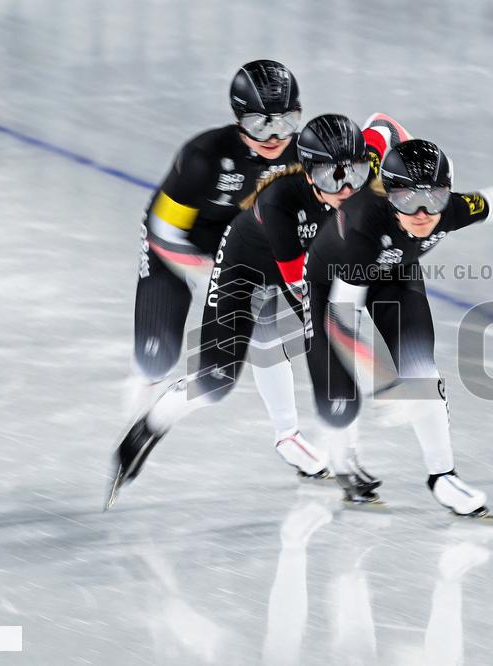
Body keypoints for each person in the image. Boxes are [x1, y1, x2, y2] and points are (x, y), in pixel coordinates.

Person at [106, 113, 411, 509]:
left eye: (353, 173)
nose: (345, 189)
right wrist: (382, 376)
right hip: (244, 269)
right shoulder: (280, 203)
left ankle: (345, 462)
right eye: (330, 180)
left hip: (301, 262)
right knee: (216, 380)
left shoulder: (360, 164)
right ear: (307, 175)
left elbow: (384, 127)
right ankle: (146, 427)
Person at [301, 138, 493, 516]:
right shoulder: (364, 228)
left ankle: (443, 477)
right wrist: (386, 383)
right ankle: (342, 462)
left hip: (396, 271)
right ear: (389, 196)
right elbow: (342, 320)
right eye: (408, 201)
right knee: (340, 395)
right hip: (333, 282)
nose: (423, 213)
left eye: (435, 199)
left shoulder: (454, 210)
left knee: (420, 371)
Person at [125, 59, 326, 479]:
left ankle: (287, 434)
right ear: (238, 119)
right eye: (259, 123)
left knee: (268, 328)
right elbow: (162, 235)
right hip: (178, 248)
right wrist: (206, 270)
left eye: (286, 121)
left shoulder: (305, 156)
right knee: (155, 360)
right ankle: (143, 402)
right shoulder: (204, 157)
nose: (274, 136)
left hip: (240, 245)